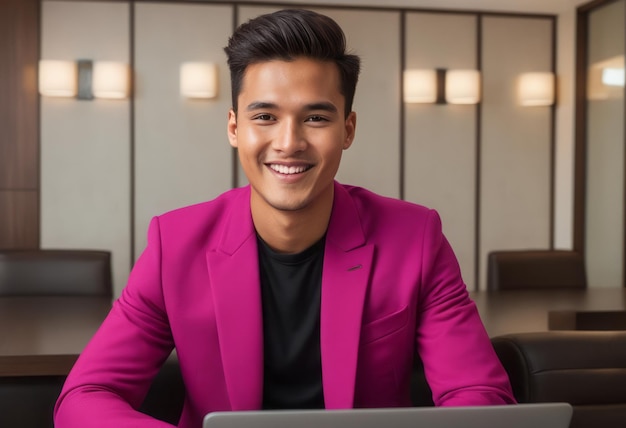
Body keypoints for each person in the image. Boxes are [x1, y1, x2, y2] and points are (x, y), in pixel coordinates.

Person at [54, 8, 515, 428]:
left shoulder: (415, 237)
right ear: (235, 128)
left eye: (315, 118)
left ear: (347, 130)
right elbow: (85, 397)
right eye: (266, 116)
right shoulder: (174, 244)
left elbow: (479, 394)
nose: (289, 142)